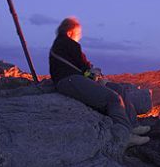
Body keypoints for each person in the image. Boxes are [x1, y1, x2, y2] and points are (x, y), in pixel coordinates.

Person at [49, 17, 150, 147]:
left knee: (118, 89)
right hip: (69, 80)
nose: (80, 36)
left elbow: (81, 65)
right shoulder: (68, 43)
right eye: (78, 33)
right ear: (69, 32)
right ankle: (125, 136)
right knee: (113, 98)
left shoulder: (62, 44)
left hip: (75, 78)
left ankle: (133, 126)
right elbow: (84, 66)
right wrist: (94, 74)